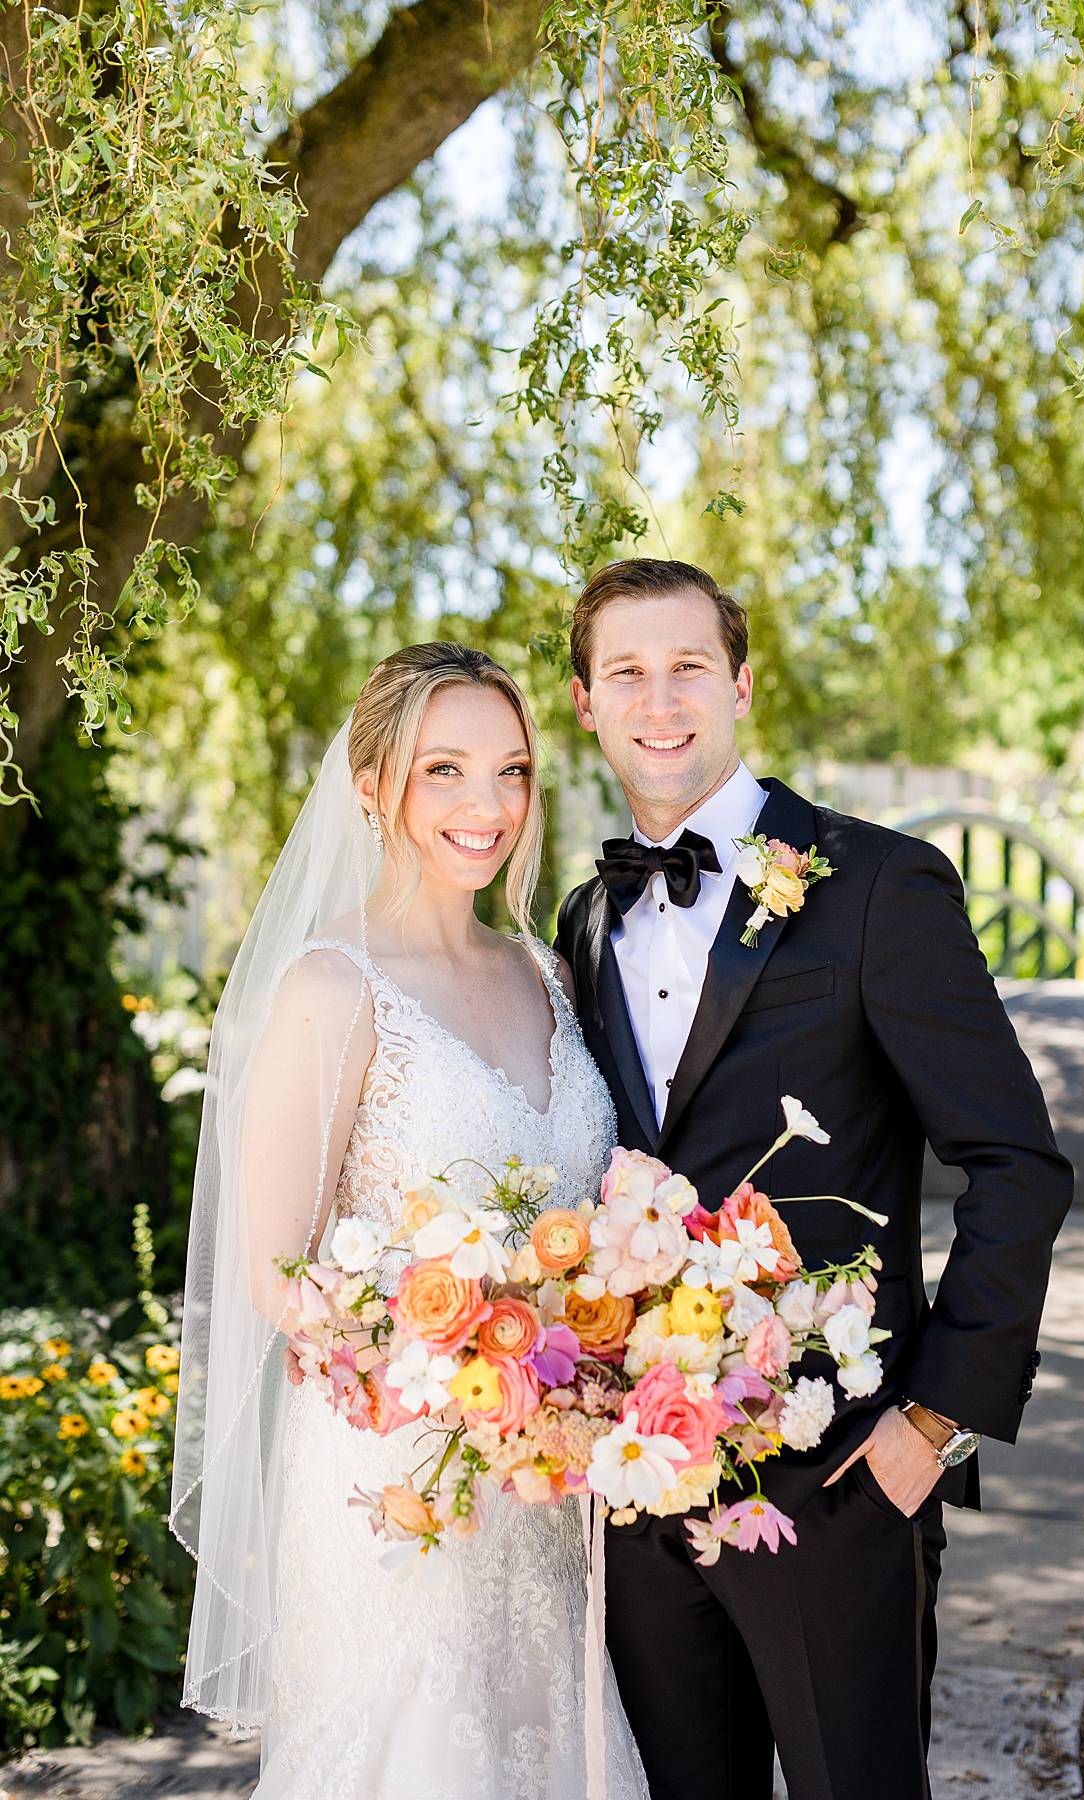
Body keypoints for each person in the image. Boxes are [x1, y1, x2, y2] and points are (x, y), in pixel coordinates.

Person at [555, 558, 1074, 1800]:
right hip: (639, 1493)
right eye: (626, 671)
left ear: (740, 684)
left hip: (842, 1476)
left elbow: (1017, 1164)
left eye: (689, 666)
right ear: (585, 703)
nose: (660, 698)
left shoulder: (879, 885)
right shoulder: (582, 921)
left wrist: (936, 1423)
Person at [171, 642, 648, 1800]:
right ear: (372, 785)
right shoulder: (331, 987)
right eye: (445, 770)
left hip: (553, 1486)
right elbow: (277, 1276)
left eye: (513, 771)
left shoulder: (547, 973)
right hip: (406, 1484)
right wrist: (464, 1364)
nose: (486, 807)